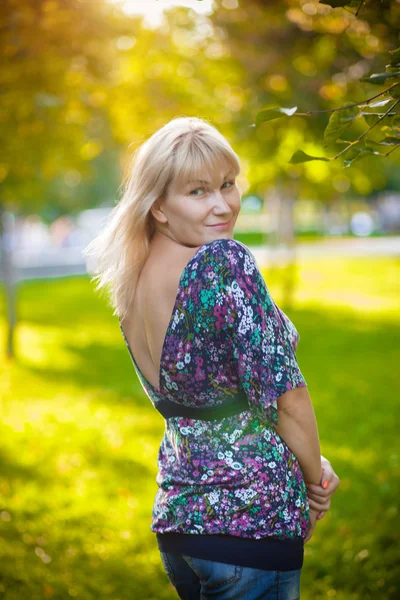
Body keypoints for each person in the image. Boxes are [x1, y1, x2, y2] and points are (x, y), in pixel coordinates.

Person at [84, 116, 340, 599]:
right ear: (157, 205)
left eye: (227, 184)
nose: (223, 205)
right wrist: (314, 477)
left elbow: (205, 403)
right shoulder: (222, 263)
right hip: (250, 527)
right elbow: (287, 397)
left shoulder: (133, 281)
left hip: (181, 524)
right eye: (198, 192)